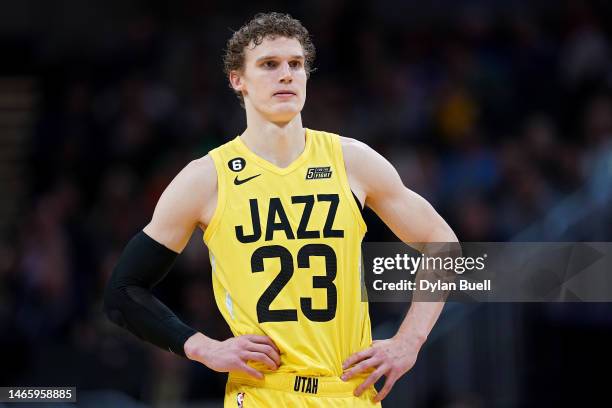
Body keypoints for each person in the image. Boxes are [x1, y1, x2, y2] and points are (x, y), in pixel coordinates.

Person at [104, 12, 457, 407]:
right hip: (263, 393)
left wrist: (409, 341)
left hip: (349, 391)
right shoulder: (206, 178)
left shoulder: (352, 160)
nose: (286, 75)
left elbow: (443, 242)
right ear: (237, 80)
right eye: (269, 65)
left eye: (296, 64)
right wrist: (202, 347)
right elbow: (122, 292)